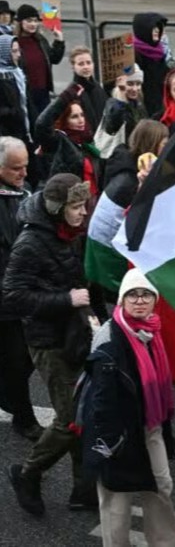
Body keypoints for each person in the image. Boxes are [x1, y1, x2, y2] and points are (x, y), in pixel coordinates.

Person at [4, 173, 96, 516]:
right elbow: (12, 297)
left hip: (74, 335)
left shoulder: (66, 233)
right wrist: (66, 299)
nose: (83, 211)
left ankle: (83, 490)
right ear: (57, 208)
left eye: (83, 204)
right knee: (71, 418)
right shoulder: (30, 243)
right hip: (48, 342)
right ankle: (28, 474)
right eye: (75, 205)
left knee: (84, 411)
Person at [82, 268, 175, 547]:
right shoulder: (109, 339)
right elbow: (101, 400)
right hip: (118, 435)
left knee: (161, 486)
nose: (140, 301)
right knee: (117, 500)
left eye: (146, 295)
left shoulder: (152, 329)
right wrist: (109, 442)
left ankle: (166, 543)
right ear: (122, 300)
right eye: (133, 295)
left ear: (155, 300)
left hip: (150, 425)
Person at [85, 120, 168, 298]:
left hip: (104, 245)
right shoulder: (131, 182)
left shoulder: (126, 167)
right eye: (164, 143)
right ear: (151, 144)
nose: (168, 147)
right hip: (108, 251)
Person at [0, 137, 40, 441]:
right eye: (16, 168)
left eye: (25, 166)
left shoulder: (22, 191)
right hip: (6, 294)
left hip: (23, 290)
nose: (23, 173)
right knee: (16, 358)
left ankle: (11, 396)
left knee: (26, 357)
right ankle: (23, 417)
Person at [33, 85, 102, 196]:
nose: (81, 120)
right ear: (64, 119)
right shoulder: (57, 141)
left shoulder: (88, 142)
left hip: (92, 201)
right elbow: (42, 125)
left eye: (82, 115)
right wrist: (65, 98)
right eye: (74, 117)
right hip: (68, 201)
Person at [14, 3, 64, 128]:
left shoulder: (40, 40)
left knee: (44, 126)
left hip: (43, 92)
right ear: (20, 22)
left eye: (36, 21)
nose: (33, 24)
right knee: (31, 127)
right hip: (25, 94)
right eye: (29, 20)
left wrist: (59, 41)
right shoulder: (13, 42)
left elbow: (54, 58)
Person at [132, 12, 170, 117]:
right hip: (145, 109)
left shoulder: (159, 51)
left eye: (159, 27)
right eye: (153, 28)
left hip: (160, 105)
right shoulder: (133, 54)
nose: (157, 31)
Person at [101, 65, 148, 144]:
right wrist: (122, 94)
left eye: (138, 84)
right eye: (130, 84)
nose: (135, 89)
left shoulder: (138, 103)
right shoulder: (114, 104)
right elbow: (111, 127)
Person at [0, 34, 31, 145]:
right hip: (7, 137)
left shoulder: (18, 74)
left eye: (18, 50)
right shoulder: (3, 78)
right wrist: (14, 112)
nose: (18, 55)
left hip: (22, 133)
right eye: (14, 51)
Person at [67, 46, 107, 132]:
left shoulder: (98, 88)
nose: (86, 67)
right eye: (81, 64)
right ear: (73, 67)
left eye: (88, 63)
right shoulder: (72, 92)